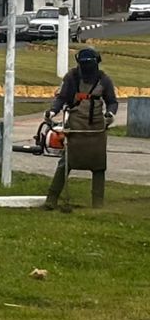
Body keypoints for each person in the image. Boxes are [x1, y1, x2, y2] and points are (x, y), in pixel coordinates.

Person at [44, 45, 117, 210]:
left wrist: (110, 115)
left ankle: (98, 204)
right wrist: (52, 111)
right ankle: (51, 199)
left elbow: (112, 101)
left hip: (97, 128)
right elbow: (61, 98)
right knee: (66, 162)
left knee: (99, 165)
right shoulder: (72, 77)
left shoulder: (104, 80)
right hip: (76, 125)